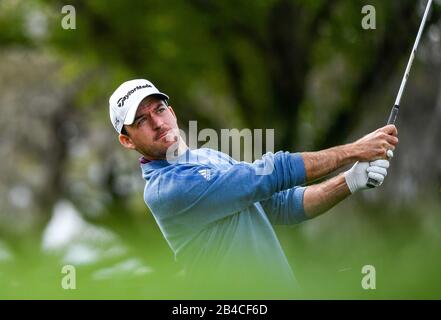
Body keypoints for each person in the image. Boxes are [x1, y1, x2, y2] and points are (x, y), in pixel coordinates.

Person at [109, 79, 398, 296]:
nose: (158, 123)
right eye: (142, 120)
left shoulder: (208, 157)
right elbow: (266, 176)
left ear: (171, 111)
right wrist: (353, 150)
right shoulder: (167, 189)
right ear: (127, 140)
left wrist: (350, 180)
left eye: (159, 109)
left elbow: (281, 206)